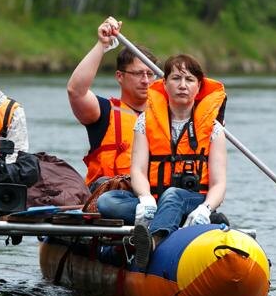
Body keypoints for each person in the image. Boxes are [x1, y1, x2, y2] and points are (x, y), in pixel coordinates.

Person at [96, 54, 227, 268]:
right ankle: (165, 223)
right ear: (164, 84)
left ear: (199, 86)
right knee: (107, 201)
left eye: (189, 79)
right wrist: (145, 198)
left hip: (192, 204)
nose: (182, 85)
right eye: (176, 78)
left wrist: (206, 208)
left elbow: (219, 184)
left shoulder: (214, 129)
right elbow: (137, 170)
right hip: (154, 203)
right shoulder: (145, 121)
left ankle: (153, 243)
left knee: (173, 195)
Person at [67, 17, 157, 190]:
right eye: (138, 74)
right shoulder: (105, 112)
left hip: (155, 196)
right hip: (114, 197)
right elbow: (75, 91)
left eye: (150, 74)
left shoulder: (166, 115)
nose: (146, 80)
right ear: (119, 76)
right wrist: (102, 44)